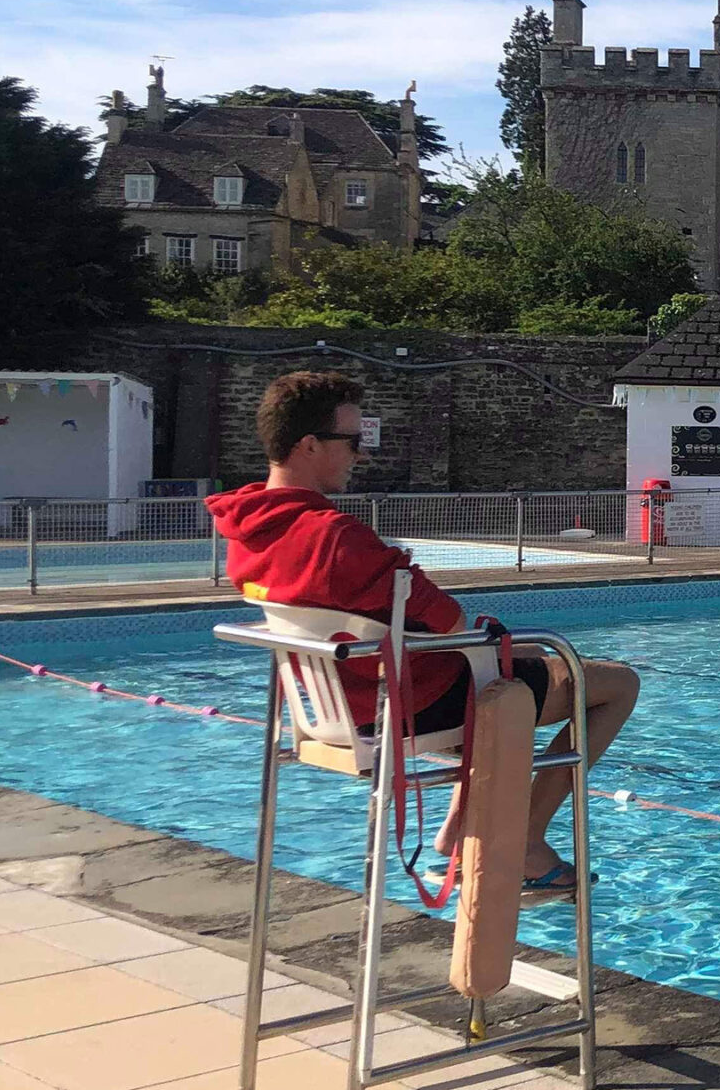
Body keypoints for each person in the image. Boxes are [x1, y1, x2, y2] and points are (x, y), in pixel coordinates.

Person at [206, 371, 636, 892]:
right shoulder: (336, 537)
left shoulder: (244, 533)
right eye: (353, 440)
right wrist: (503, 644)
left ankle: (456, 834)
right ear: (309, 445)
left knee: (509, 665)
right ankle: (526, 838)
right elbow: (449, 620)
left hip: (339, 707)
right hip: (412, 702)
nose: (360, 454)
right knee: (613, 684)